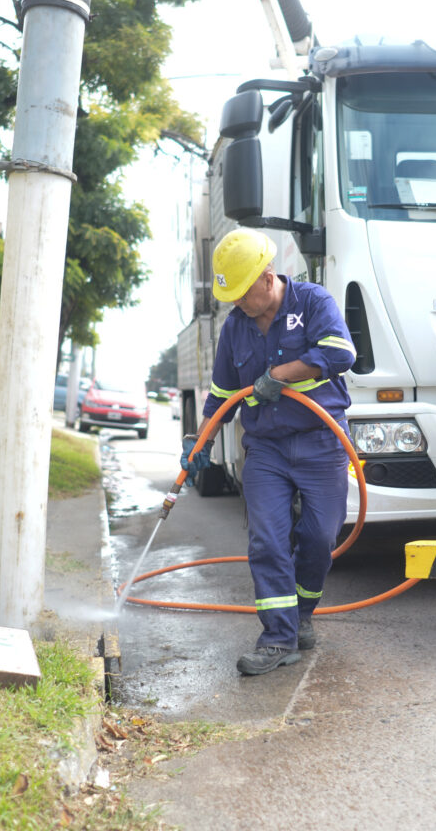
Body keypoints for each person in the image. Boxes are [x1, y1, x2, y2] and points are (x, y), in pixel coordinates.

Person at [180, 228, 357, 676]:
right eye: (232, 297)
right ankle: (277, 638)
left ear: (267, 276)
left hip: (321, 440)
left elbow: (341, 352)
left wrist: (280, 374)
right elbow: (221, 396)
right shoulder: (235, 329)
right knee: (267, 539)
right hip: (265, 450)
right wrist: (197, 443)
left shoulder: (313, 302)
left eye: (243, 294)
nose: (238, 304)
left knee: (319, 537)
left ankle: (301, 614)